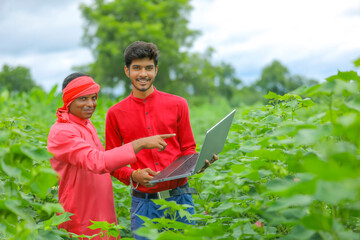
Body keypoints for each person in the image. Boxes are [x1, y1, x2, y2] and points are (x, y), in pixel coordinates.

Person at [105, 41, 217, 239]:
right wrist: (133, 175)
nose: (143, 74)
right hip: (144, 204)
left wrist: (196, 164)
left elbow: (188, 148)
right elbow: (112, 161)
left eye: (149, 68)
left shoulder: (178, 104)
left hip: (180, 197)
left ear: (156, 70)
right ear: (126, 70)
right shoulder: (115, 114)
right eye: (137, 68)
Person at [47, 72, 175, 240]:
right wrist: (140, 143)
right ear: (69, 101)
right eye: (83, 99)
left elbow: (104, 158)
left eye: (93, 98)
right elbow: (97, 161)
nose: (91, 104)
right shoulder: (62, 132)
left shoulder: (85, 124)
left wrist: (132, 175)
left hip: (102, 214)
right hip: (80, 218)